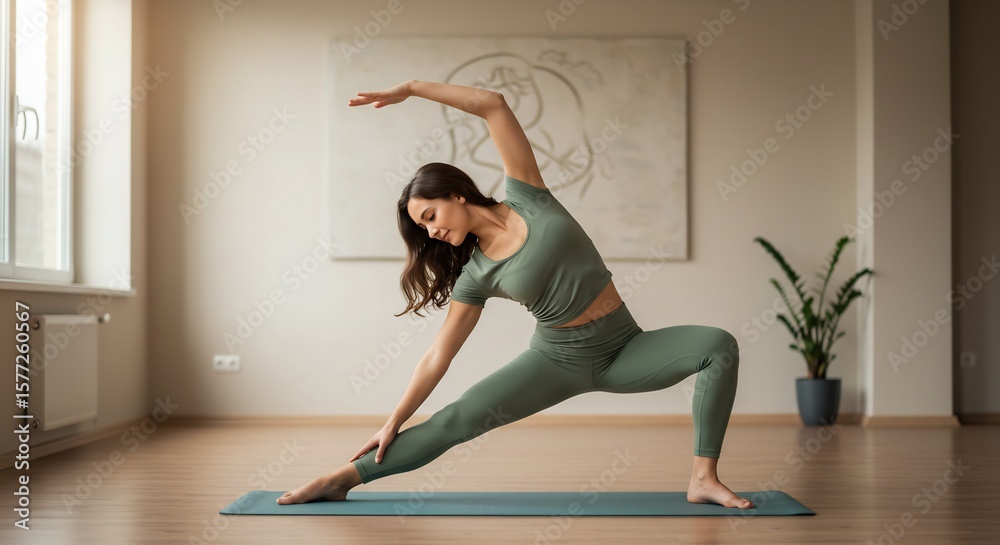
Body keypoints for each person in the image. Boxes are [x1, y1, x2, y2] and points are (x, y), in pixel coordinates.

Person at [277, 80, 752, 509]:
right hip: (557, 360)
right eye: (424, 227)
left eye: (430, 215)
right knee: (453, 422)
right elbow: (438, 355)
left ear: (457, 194)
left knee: (718, 346)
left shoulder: (529, 196)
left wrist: (412, 88)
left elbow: (492, 106)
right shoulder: (475, 275)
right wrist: (393, 419)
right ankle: (341, 478)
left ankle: (703, 479)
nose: (433, 230)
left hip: (626, 347)